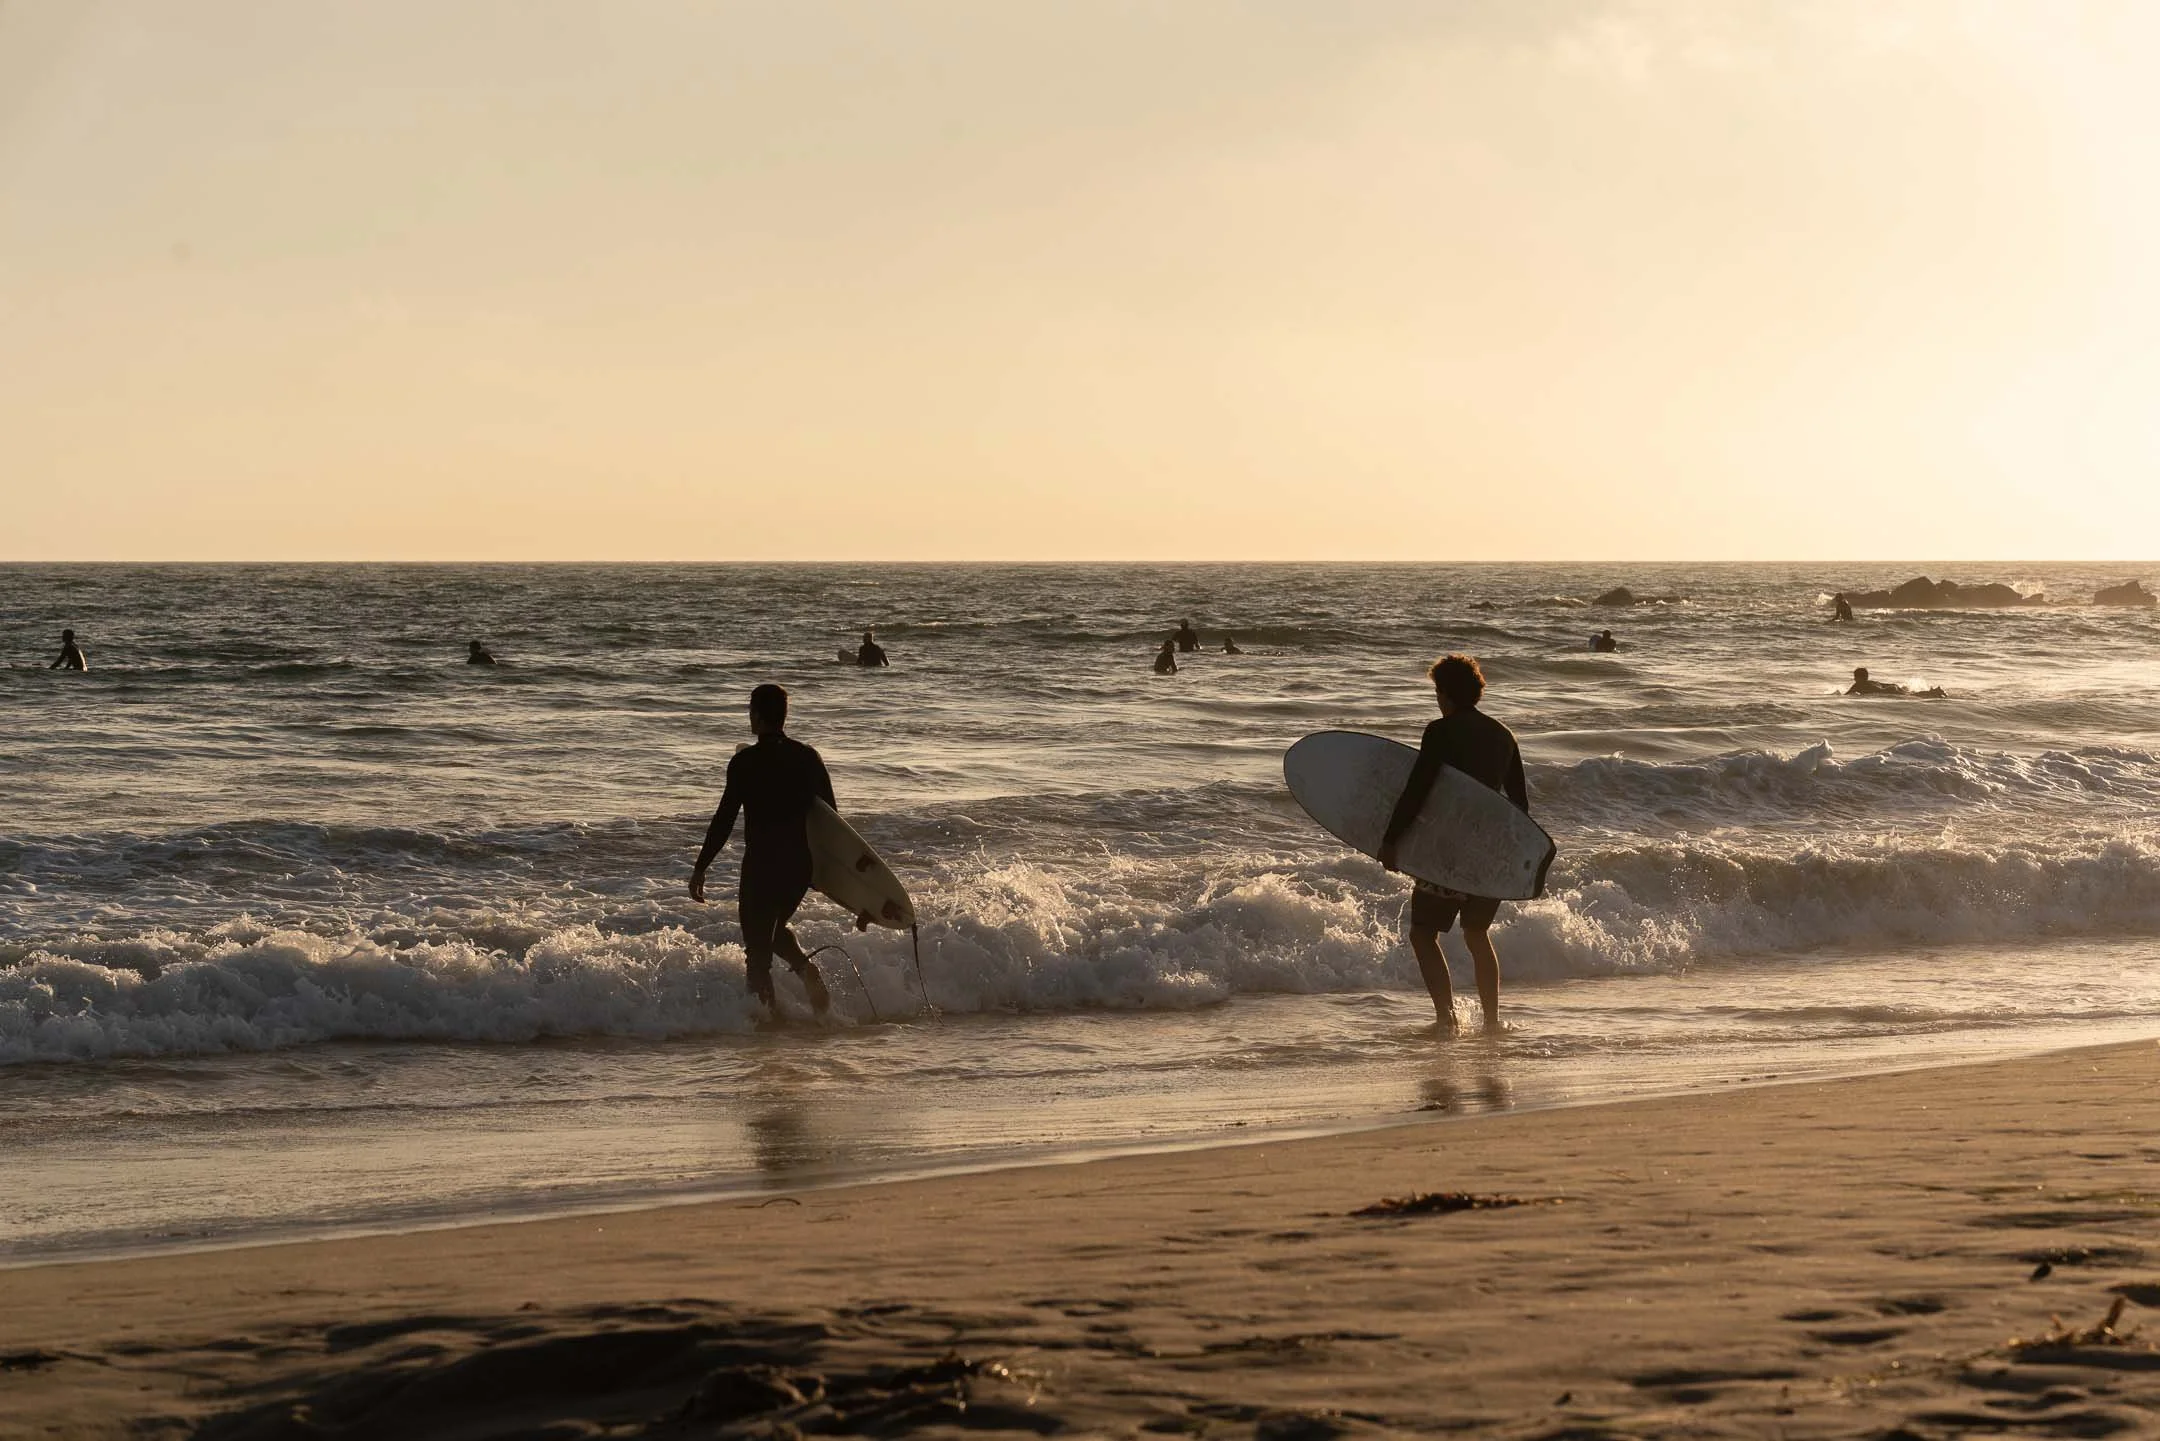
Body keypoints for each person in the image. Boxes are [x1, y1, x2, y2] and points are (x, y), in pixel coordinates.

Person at [1376, 654, 1529, 1034]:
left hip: (1450, 850)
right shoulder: (1503, 735)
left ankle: (1447, 1019)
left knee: (1423, 933)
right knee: (1477, 934)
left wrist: (1391, 841)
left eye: (1437, 691)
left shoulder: (1440, 732)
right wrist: (1514, 855)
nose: (1437, 699)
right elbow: (1519, 806)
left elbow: (1418, 791)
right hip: (1491, 852)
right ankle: (1491, 1022)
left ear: (1445, 693)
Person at [689, 684, 835, 1016]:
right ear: (784, 715)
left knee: (757, 954)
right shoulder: (807, 757)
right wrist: (828, 876)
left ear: (755, 716)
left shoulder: (745, 763)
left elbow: (724, 819)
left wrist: (701, 867)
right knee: (769, 932)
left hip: (761, 867)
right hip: (798, 866)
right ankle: (804, 969)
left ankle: (766, 1032)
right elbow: (831, 820)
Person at [1846, 666, 1946, 698]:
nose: (1854, 679)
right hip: (1892, 687)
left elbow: (1846, 695)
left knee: (1911, 696)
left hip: (1888, 691)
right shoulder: (1871, 682)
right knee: (1912, 694)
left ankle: (1933, 693)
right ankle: (1933, 692)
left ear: (1858, 677)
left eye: (1855, 677)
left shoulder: (1859, 684)